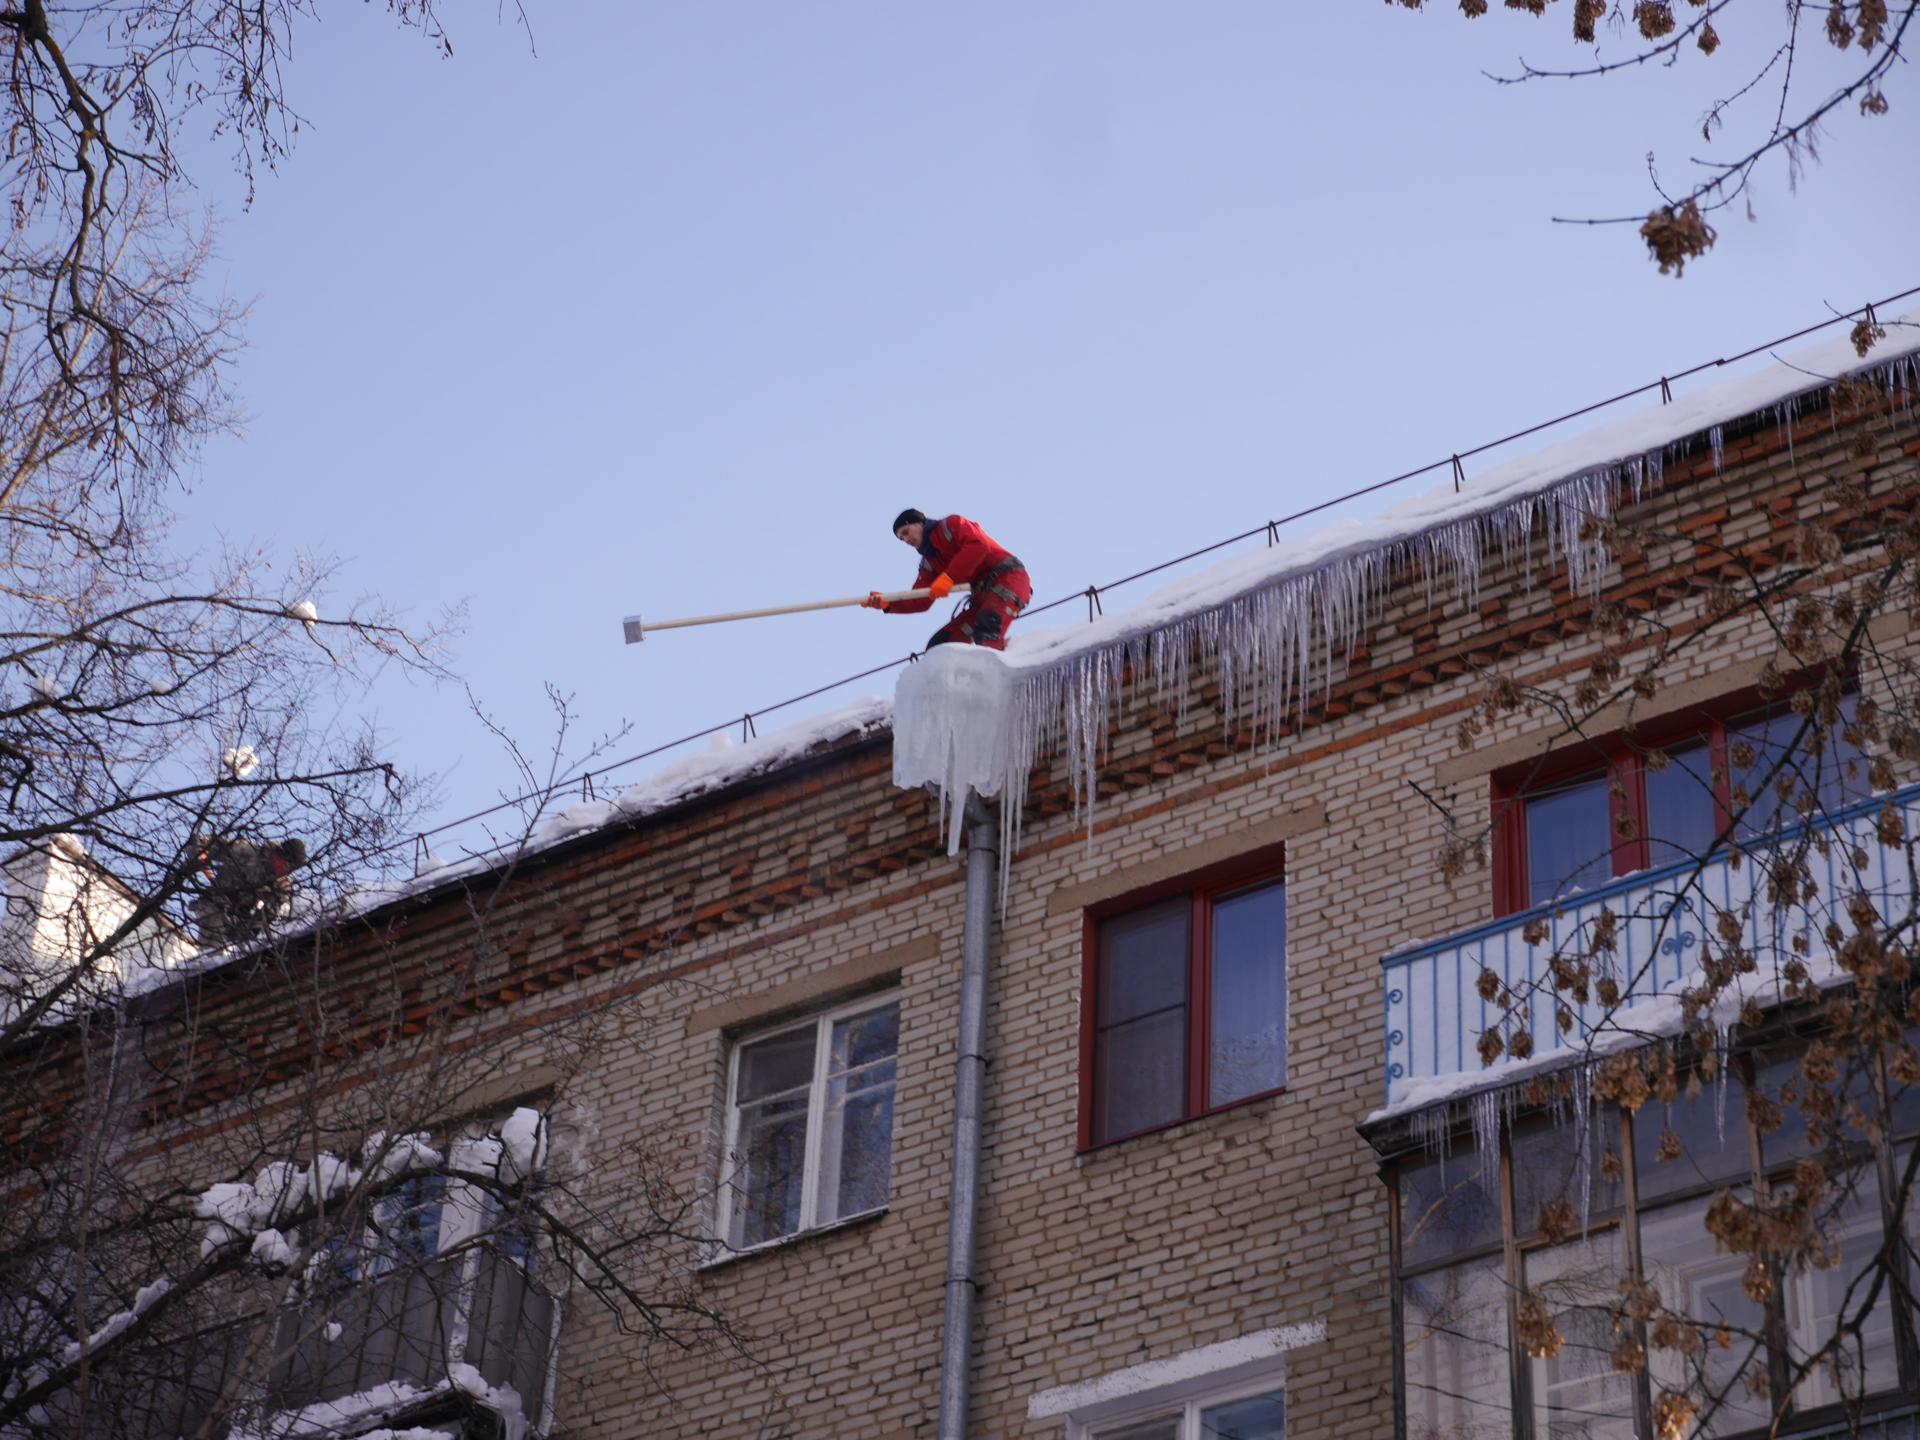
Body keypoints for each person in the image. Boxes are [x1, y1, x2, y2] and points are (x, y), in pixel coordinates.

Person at [863, 509, 1032, 651]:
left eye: (906, 532)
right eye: (902, 539)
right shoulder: (929, 564)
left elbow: (978, 546)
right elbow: (921, 598)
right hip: (982, 596)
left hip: (1008, 578)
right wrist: (889, 604)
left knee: (987, 630)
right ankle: (950, 685)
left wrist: (949, 577)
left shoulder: (951, 525)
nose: (906, 540)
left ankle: (997, 676)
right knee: (939, 646)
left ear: (920, 523)